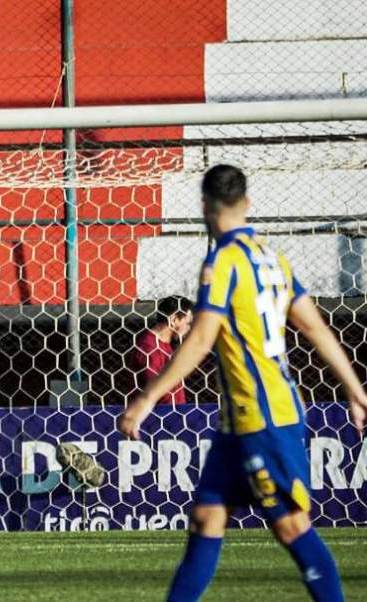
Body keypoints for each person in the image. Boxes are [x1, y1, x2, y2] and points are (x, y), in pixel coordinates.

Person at [118, 164, 367, 602]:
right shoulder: (274, 259)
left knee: (292, 526)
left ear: (203, 207)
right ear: (247, 204)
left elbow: (198, 339)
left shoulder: (223, 261)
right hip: (239, 422)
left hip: (262, 415)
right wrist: (354, 388)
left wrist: (146, 398)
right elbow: (315, 328)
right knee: (207, 519)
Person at [130, 295, 193, 405]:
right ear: (173, 319)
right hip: (163, 417)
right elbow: (156, 391)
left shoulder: (165, 344)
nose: (189, 328)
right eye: (187, 323)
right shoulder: (149, 347)